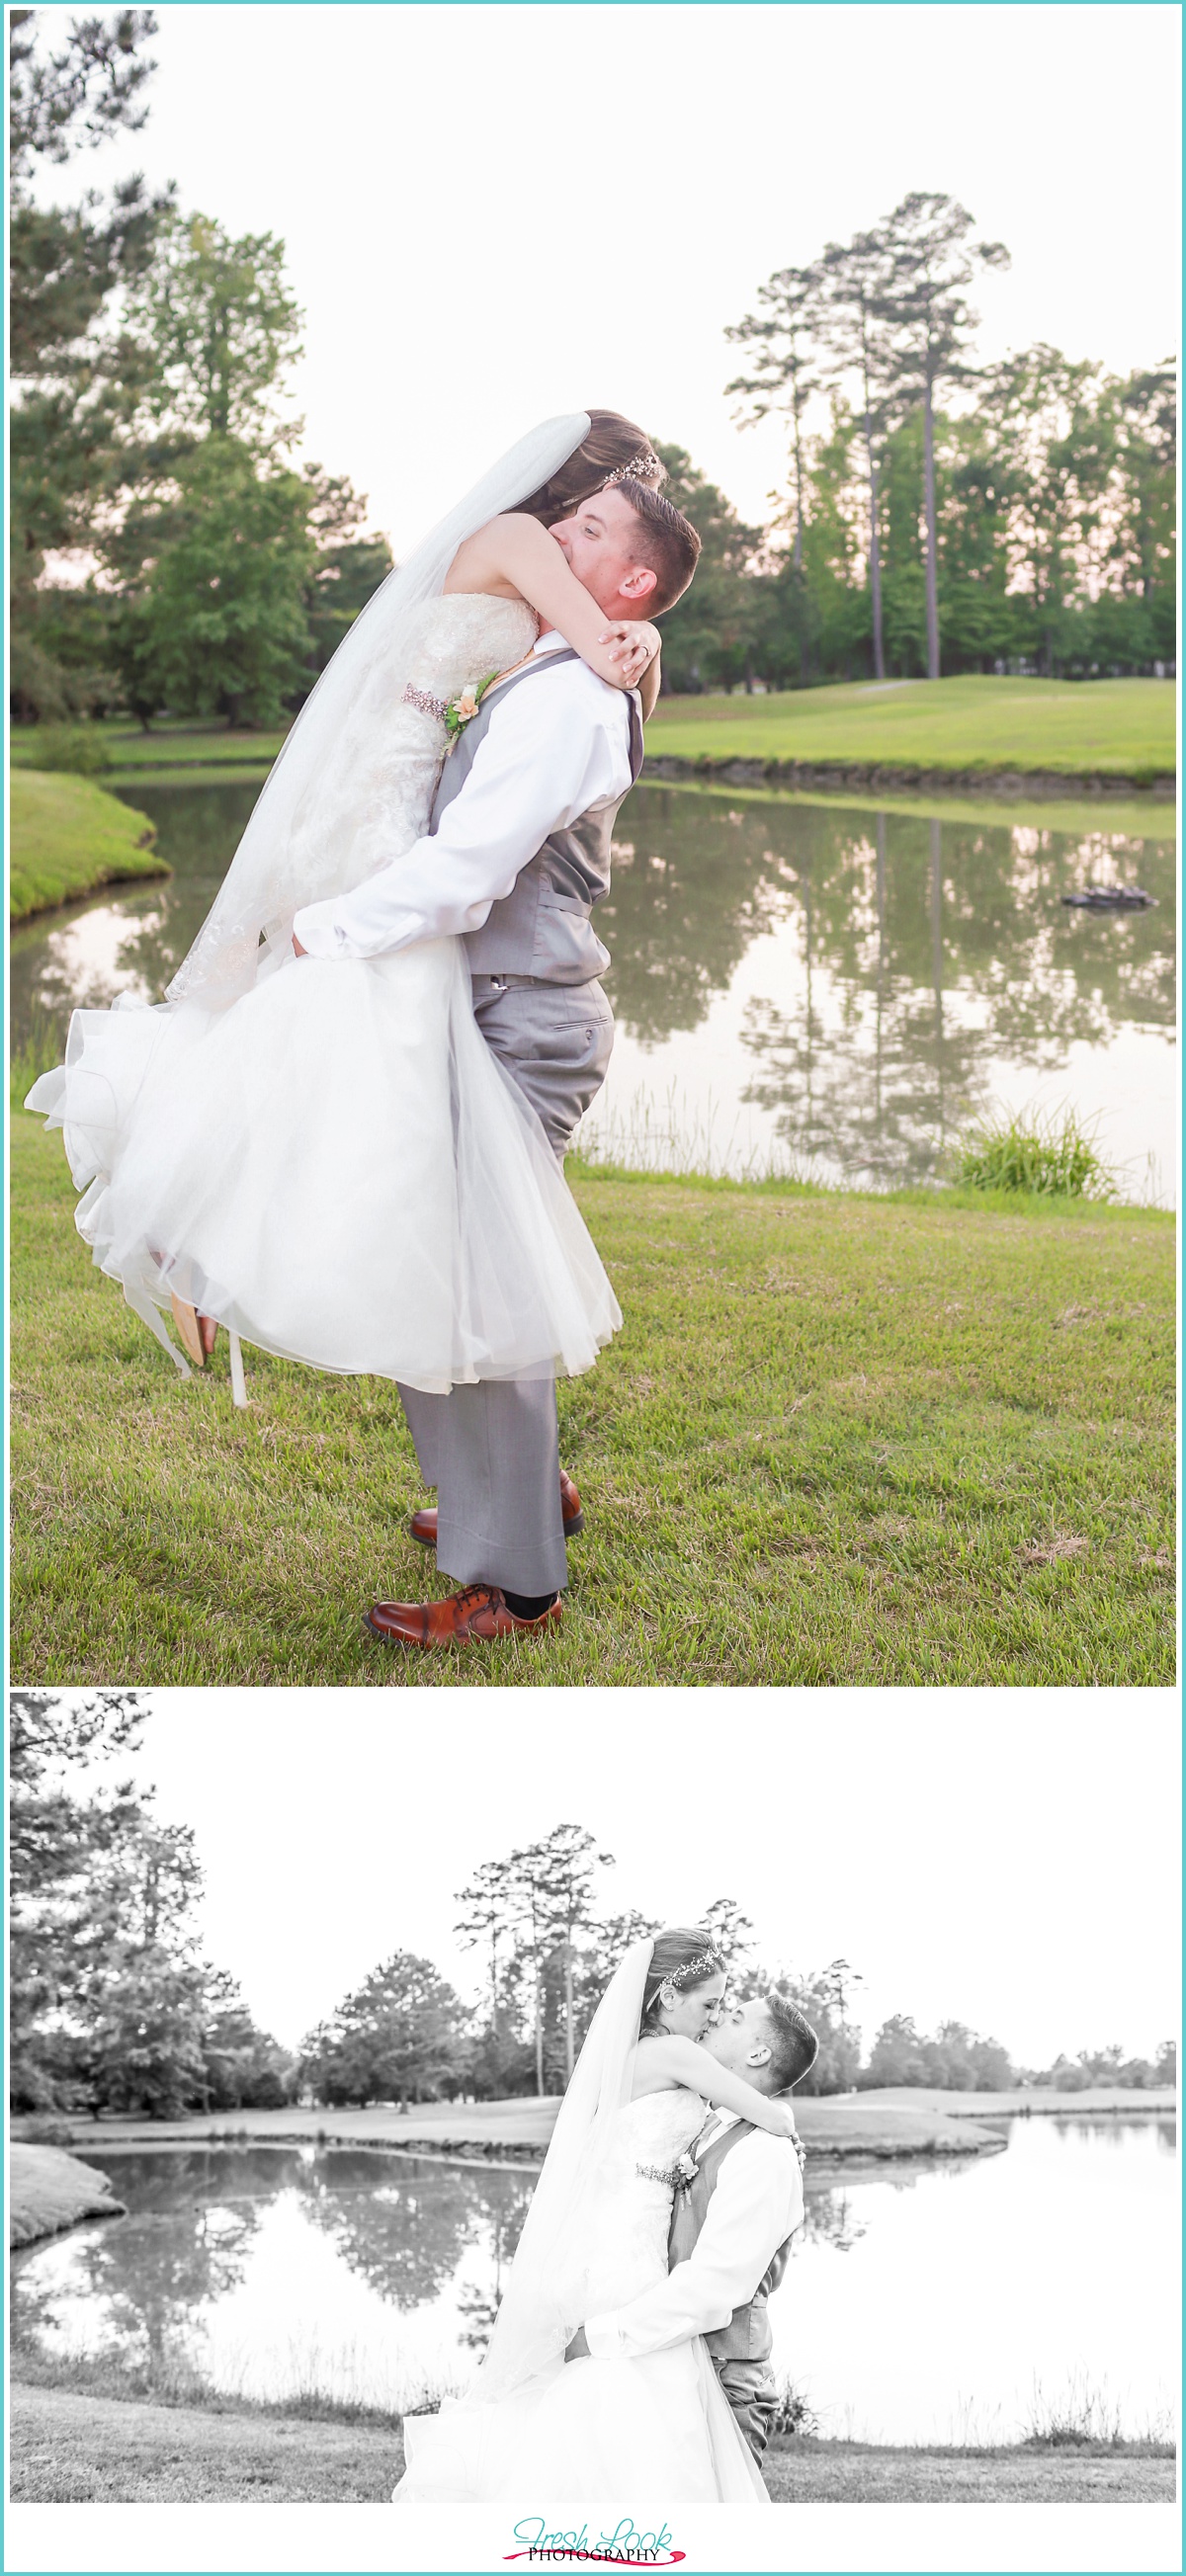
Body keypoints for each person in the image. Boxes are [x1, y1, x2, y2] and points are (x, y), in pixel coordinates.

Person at [26, 415, 701, 1643]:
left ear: (630, 579)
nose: (562, 533)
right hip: (479, 998)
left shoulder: (566, 699)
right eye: (573, 514)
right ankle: (502, 1499)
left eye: (590, 529)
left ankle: (519, 1579)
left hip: (513, 1009)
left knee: (482, 1283)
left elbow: (467, 874)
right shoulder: (554, 668)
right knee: (437, 1259)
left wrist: (322, 933)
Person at [392, 1929, 816, 2504]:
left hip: (612, 2251)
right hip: (633, 2260)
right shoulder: (676, 2055)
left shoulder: (637, 2059)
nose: (716, 2018)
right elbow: (764, 2111)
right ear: (668, 1997)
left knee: (598, 2409)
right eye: (713, 2004)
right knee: (635, 2411)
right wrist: (785, 2120)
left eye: (727, 2011)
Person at [569, 1992, 818, 2475]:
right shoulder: (709, 2124)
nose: (721, 2015)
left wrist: (600, 2336)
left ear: (758, 2054)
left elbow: (716, 2285)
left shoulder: (765, 2153)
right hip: (670, 2356)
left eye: (738, 2016)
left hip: (722, 2375)